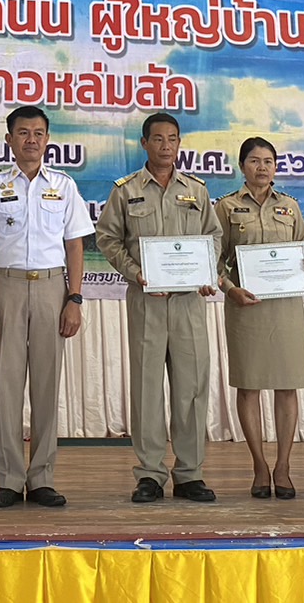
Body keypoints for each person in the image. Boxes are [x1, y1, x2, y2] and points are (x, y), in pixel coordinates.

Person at [95, 113, 222, 504]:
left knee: (191, 389)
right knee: (147, 389)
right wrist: (135, 273)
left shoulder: (196, 190)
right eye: (158, 139)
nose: (166, 146)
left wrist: (206, 271)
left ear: (179, 143)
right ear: (144, 143)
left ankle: (189, 473)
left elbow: (213, 236)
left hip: (188, 304)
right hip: (146, 301)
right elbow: (107, 238)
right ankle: (150, 473)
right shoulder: (126, 190)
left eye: (172, 139)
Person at [0, 105, 91, 509]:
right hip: (5, 286)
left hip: (52, 287)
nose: (31, 140)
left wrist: (74, 298)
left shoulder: (64, 186)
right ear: (9, 139)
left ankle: (41, 478)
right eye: (23, 133)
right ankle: (8, 478)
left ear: (47, 139)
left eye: (38, 133)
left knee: (46, 384)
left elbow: (75, 245)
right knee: (7, 386)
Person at [214, 137, 304, 500]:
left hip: (286, 306)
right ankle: (259, 465)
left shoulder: (289, 206)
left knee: (287, 386)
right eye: (255, 161)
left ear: (276, 166)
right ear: (242, 166)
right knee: (249, 386)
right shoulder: (226, 206)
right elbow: (215, 259)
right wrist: (230, 289)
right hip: (246, 306)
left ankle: (283, 466)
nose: (262, 167)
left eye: (268, 161)